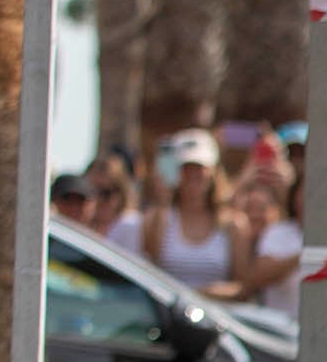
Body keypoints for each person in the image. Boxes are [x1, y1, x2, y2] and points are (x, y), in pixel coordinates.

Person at [114, 132, 241, 297]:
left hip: (216, 317)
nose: (193, 174)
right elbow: (150, 269)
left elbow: (243, 285)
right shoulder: (158, 219)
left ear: (213, 171)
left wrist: (208, 295)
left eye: (199, 167)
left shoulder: (232, 224)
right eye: (186, 168)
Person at [228, 165, 303, 315]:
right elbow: (245, 287)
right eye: (249, 208)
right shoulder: (237, 241)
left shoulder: (277, 233)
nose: (255, 215)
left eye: (261, 208)